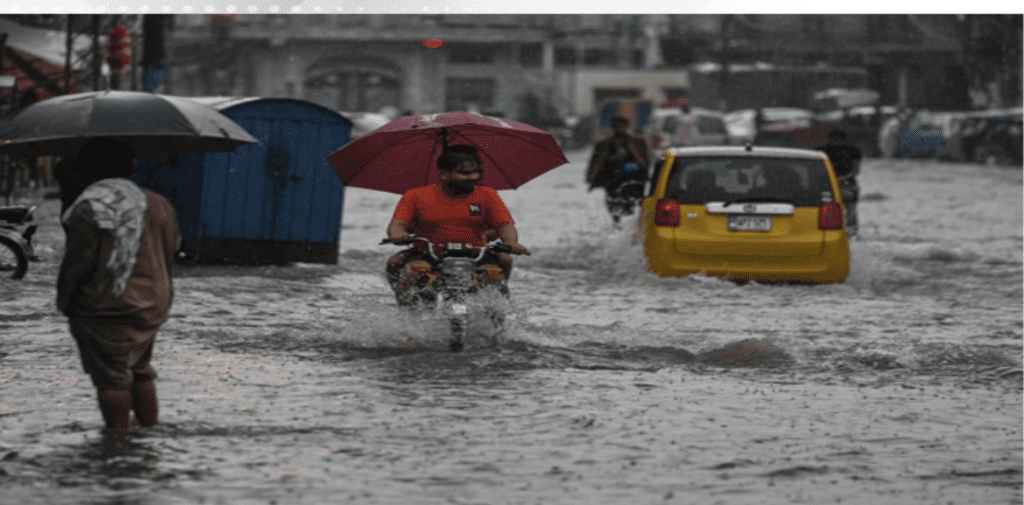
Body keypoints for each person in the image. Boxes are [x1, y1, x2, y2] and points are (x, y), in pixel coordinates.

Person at [56, 138, 181, 455]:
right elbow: (171, 251)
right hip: (153, 302)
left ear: (89, 170)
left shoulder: (91, 207)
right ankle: (147, 438)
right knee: (139, 368)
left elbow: (79, 263)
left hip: (109, 304)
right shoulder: (159, 203)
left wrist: (65, 299)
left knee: (112, 377)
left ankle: (117, 445)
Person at [385, 144, 530, 305]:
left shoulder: (488, 194)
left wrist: (511, 242)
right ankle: (408, 315)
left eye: (477, 172)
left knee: (497, 273)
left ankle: (496, 320)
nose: (474, 177)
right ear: (445, 173)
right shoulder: (415, 195)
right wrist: (397, 235)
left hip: (476, 254)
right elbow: (397, 225)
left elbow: (505, 226)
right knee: (402, 266)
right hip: (429, 253)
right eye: (465, 173)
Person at [586, 115, 650, 224]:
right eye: (618, 126)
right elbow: (596, 161)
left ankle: (631, 220)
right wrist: (591, 176)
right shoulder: (603, 144)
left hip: (633, 178)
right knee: (613, 202)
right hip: (612, 178)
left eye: (623, 126)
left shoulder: (637, 142)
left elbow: (645, 161)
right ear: (613, 127)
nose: (620, 128)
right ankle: (617, 221)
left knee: (633, 202)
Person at [817, 130, 862, 234]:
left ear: (844, 141)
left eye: (839, 140)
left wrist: (843, 178)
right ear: (830, 140)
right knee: (826, 208)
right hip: (827, 184)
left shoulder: (853, 151)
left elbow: (856, 169)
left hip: (848, 185)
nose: (836, 142)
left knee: (851, 208)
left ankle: (852, 230)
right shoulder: (823, 151)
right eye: (834, 140)